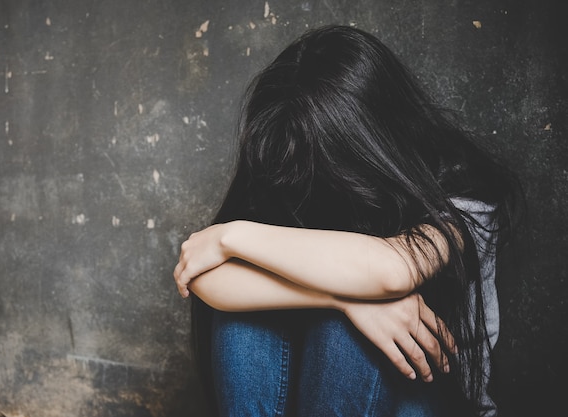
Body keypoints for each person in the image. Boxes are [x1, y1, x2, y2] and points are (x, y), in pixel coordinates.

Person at [173, 25, 521, 417]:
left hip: (432, 402)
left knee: (344, 333)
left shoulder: (462, 192)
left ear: (369, 145)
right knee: (246, 319)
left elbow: (392, 271)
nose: (311, 182)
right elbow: (203, 278)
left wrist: (231, 236)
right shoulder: (292, 168)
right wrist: (342, 300)